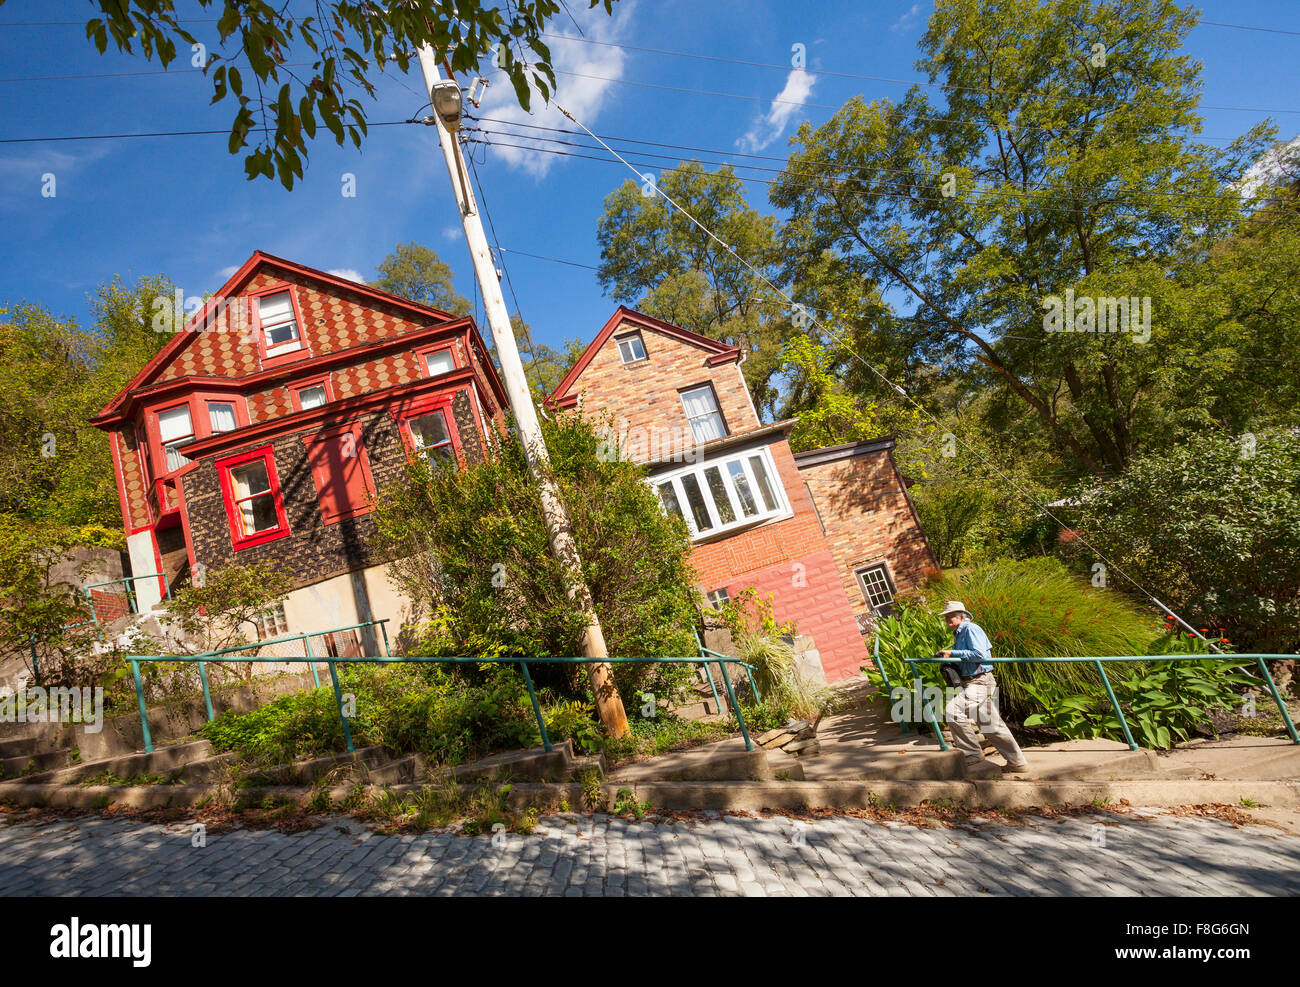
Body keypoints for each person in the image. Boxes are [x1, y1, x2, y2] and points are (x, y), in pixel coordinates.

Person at [936, 600, 1030, 778]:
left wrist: (952, 653)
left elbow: (980, 655)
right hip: (972, 681)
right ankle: (1018, 763)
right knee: (990, 725)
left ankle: (972, 753)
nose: (947, 619)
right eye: (946, 616)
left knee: (953, 710)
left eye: (950, 616)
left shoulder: (971, 629)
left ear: (961, 616)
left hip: (980, 681)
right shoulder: (959, 633)